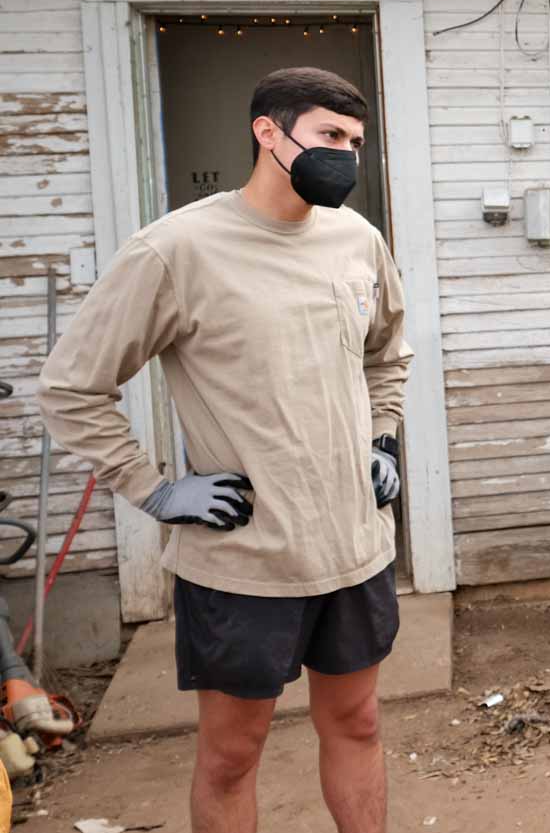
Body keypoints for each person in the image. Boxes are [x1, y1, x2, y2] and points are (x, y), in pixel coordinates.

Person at [39, 67, 409, 833]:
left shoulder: (357, 240)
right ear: (267, 133)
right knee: (231, 755)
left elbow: (388, 351)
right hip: (244, 560)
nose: (345, 155)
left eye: (356, 142)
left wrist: (381, 436)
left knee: (360, 724)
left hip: (352, 547)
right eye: (329, 136)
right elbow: (72, 386)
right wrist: (153, 488)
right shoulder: (176, 250)